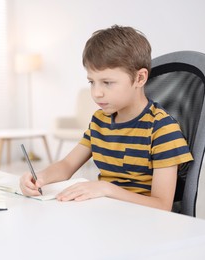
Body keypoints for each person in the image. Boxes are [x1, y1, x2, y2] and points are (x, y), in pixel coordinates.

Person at [19, 25, 193, 211]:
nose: (96, 93)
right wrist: (39, 177)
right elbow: (67, 164)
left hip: (145, 222)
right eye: (91, 82)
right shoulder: (100, 120)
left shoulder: (162, 129)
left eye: (107, 83)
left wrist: (106, 189)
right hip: (106, 213)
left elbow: (162, 205)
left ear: (140, 78)